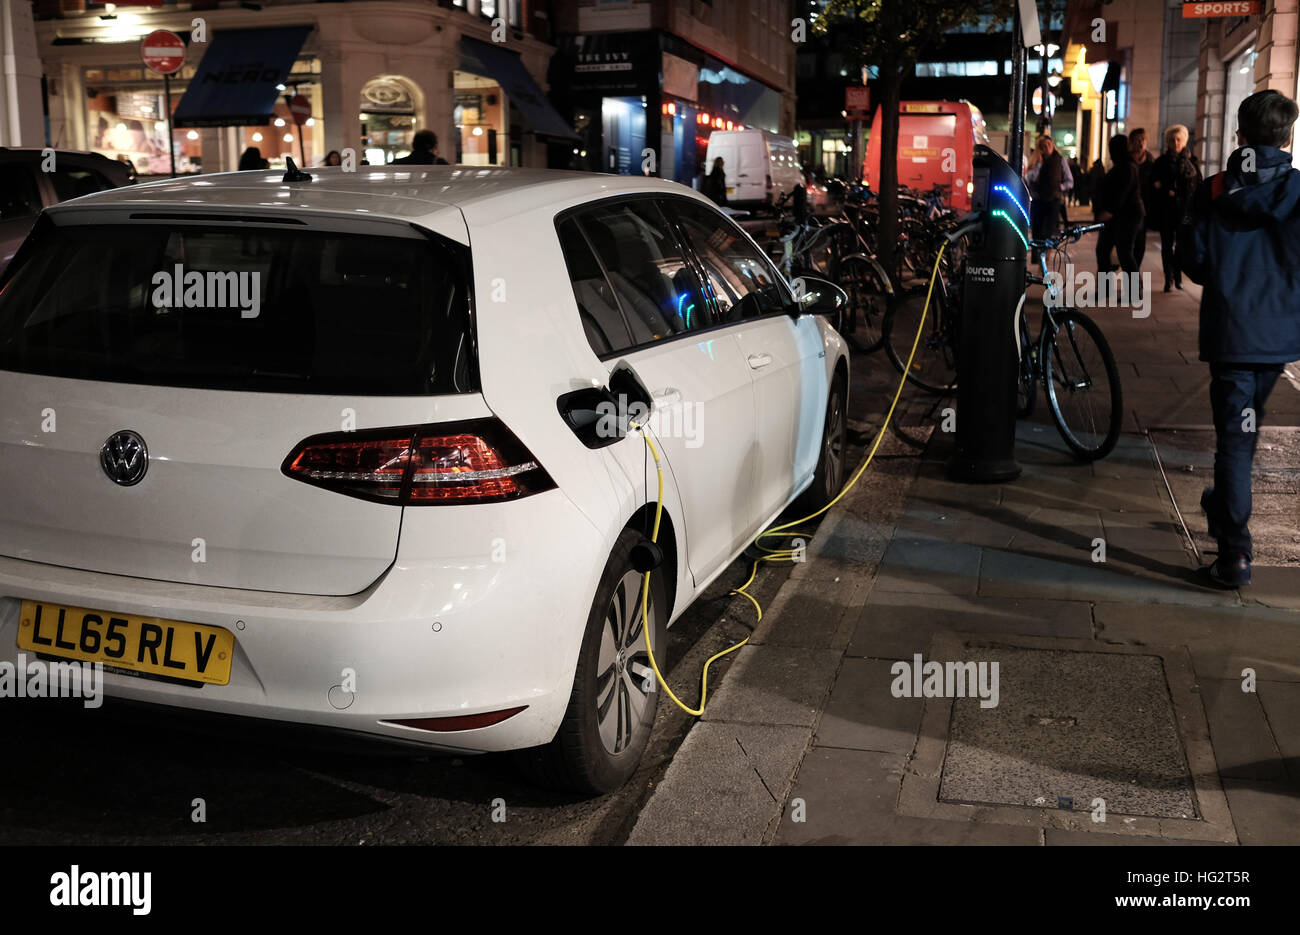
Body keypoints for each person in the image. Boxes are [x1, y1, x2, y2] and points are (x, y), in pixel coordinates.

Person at [1181, 90, 1300, 588]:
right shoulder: (1299, 191)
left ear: (1242, 136)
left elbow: (1196, 263)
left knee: (1235, 438)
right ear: (1286, 138)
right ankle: (1223, 506)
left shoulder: (1212, 191)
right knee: (1243, 430)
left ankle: (1234, 555)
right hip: (1278, 336)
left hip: (1232, 332)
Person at [1150, 125, 1201, 291]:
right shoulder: (1161, 162)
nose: (1176, 143)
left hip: (1185, 210)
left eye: (1178, 139)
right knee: (1166, 246)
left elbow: (1198, 184)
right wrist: (1165, 190)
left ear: (1184, 140)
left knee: (1181, 246)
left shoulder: (1191, 161)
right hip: (1167, 210)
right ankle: (1168, 278)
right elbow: (1154, 184)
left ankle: (1178, 276)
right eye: (1172, 140)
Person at [1093, 134, 1144, 279]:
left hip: (1126, 216)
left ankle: (1134, 290)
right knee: (1104, 250)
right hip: (1119, 215)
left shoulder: (1127, 166)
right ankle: (1105, 289)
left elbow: (1122, 193)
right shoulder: (1124, 165)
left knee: (1124, 252)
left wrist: (1109, 211)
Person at [1026, 134, 1064, 263]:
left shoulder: (1059, 160)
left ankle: (1044, 263)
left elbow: (1069, 181)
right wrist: (1039, 164)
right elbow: (1030, 178)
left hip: (1052, 201)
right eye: (1043, 146)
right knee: (1037, 232)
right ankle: (1039, 260)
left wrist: (1059, 188)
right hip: (1038, 200)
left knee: (1048, 233)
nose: (1047, 148)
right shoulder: (1037, 162)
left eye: (1049, 145)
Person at [1128, 129, 1156, 266]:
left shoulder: (1151, 163)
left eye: (1142, 140)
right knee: (1127, 247)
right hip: (1127, 210)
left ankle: (1133, 275)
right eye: (1137, 140)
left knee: (1140, 246)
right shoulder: (1126, 162)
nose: (1140, 144)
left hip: (1144, 209)